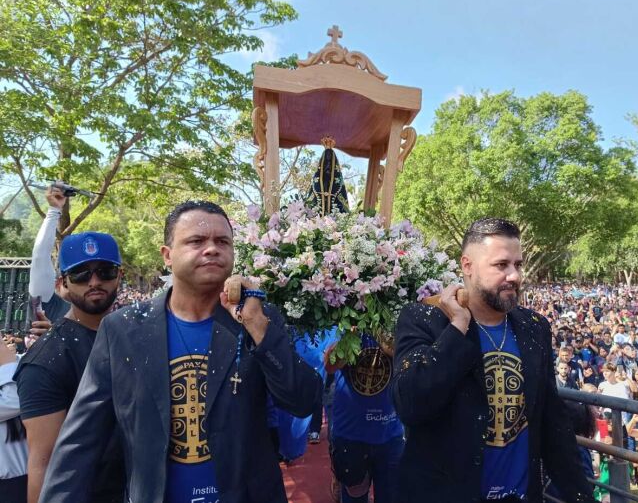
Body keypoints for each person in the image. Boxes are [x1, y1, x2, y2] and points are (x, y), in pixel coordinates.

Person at [38, 200, 323, 503]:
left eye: (222, 241)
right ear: (167, 256)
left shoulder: (256, 319)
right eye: (196, 241)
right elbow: (80, 442)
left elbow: (303, 401)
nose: (212, 248)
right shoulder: (121, 330)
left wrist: (258, 327)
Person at [391, 218, 596, 503]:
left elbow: (552, 423)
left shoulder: (534, 327)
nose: (514, 276)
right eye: (501, 265)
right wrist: (457, 330)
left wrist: (581, 496)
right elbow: (410, 404)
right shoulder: (424, 320)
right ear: (467, 266)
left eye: (518, 265)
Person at [14, 231, 126, 503]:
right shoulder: (46, 360)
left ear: (119, 276)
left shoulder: (132, 336)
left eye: (105, 271)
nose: (95, 281)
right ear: (62, 284)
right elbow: (43, 463)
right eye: (81, 275)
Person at [325, 334, 404, 503]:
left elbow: (406, 359)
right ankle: (339, 481)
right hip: (351, 435)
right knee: (353, 496)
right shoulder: (346, 324)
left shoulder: (396, 323)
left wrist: (382, 334)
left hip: (390, 434)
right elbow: (330, 366)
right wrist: (351, 335)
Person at [28, 185, 70, 325]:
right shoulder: (48, 304)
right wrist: (54, 210)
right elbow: (40, 255)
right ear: (59, 282)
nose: (92, 282)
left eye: (104, 272)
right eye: (79, 274)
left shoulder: (107, 321)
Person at [0, 341, 27, 503]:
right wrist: (7, 361)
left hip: (27, 477)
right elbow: (15, 401)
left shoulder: (15, 363)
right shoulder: (9, 365)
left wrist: (50, 337)